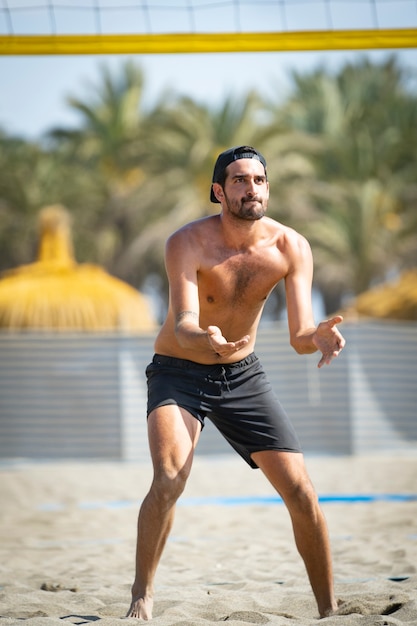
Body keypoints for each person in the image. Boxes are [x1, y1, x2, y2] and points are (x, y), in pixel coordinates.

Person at [127, 145, 345, 620]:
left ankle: (330, 609)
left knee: (302, 491)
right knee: (168, 479)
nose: (252, 189)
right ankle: (142, 597)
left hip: (243, 375)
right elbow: (183, 320)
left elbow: (298, 337)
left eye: (259, 180)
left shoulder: (291, 247)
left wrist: (320, 337)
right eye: (240, 180)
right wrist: (202, 335)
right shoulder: (186, 242)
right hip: (177, 373)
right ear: (218, 191)